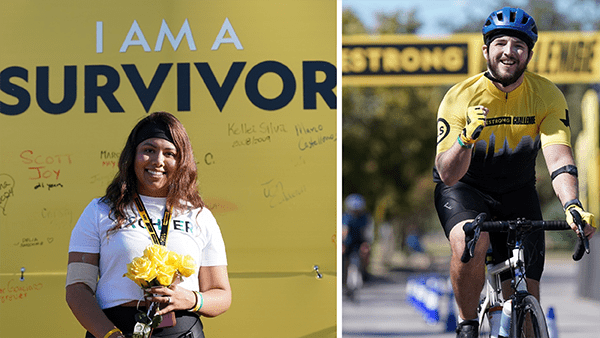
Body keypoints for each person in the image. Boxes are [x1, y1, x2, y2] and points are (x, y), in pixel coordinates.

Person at [433, 7, 596, 338]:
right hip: (466, 189)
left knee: (526, 304)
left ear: (529, 54)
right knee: (469, 241)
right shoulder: (460, 97)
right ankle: (466, 324)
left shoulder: (546, 94)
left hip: (518, 192)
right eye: (501, 43)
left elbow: (558, 153)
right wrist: (466, 139)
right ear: (486, 50)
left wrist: (571, 204)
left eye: (518, 45)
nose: (509, 51)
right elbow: (447, 174)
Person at [66, 112, 231, 338]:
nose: (158, 161)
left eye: (169, 153)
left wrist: (192, 298)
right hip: (114, 330)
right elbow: (77, 289)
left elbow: (221, 294)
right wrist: (109, 335)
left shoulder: (199, 216)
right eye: (149, 150)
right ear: (133, 155)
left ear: (181, 161)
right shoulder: (99, 211)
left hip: (182, 331)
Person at [342, 193, 374, 286]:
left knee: (366, 253)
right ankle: (343, 277)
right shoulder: (346, 217)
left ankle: (364, 271)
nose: (355, 212)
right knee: (342, 255)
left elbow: (368, 232)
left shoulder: (365, 218)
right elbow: (343, 230)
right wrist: (342, 243)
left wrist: (367, 244)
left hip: (360, 241)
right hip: (347, 241)